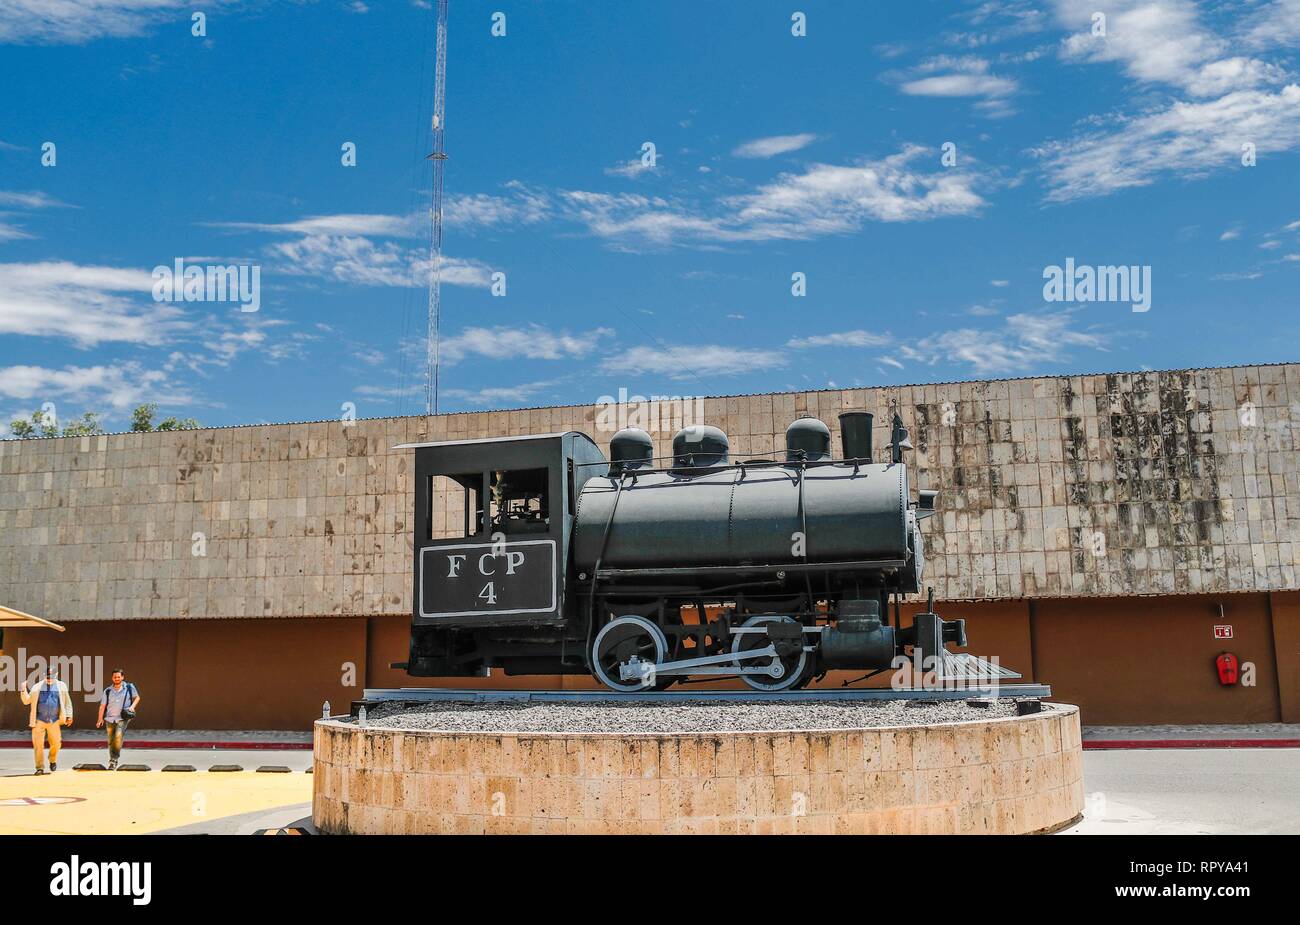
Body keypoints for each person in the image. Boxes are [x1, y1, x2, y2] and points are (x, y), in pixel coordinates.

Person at [19, 667, 73, 775]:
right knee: (38, 745)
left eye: (51, 677)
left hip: (54, 720)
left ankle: (52, 759)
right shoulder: (37, 687)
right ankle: (40, 768)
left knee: (57, 744)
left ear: (56, 675)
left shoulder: (61, 686)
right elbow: (26, 701)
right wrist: (23, 689)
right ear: (44, 676)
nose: (49, 679)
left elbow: (67, 702)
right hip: (39, 720)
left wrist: (69, 716)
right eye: (47, 677)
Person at [96, 669, 140, 770]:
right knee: (111, 741)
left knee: (118, 736)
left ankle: (114, 760)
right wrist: (100, 719)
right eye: (115, 677)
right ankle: (112, 761)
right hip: (110, 719)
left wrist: (132, 707)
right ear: (112, 678)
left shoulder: (129, 687)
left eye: (118, 677)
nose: (117, 678)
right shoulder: (107, 691)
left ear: (122, 677)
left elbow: (137, 697)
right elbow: (102, 706)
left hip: (122, 718)